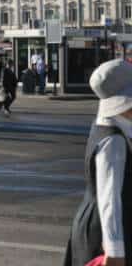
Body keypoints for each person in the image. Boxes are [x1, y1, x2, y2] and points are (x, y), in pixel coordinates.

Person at [64, 59, 132, 266]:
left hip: (93, 222)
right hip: (102, 232)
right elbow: (110, 199)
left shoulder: (108, 124)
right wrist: (114, 251)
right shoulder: (114, 140)